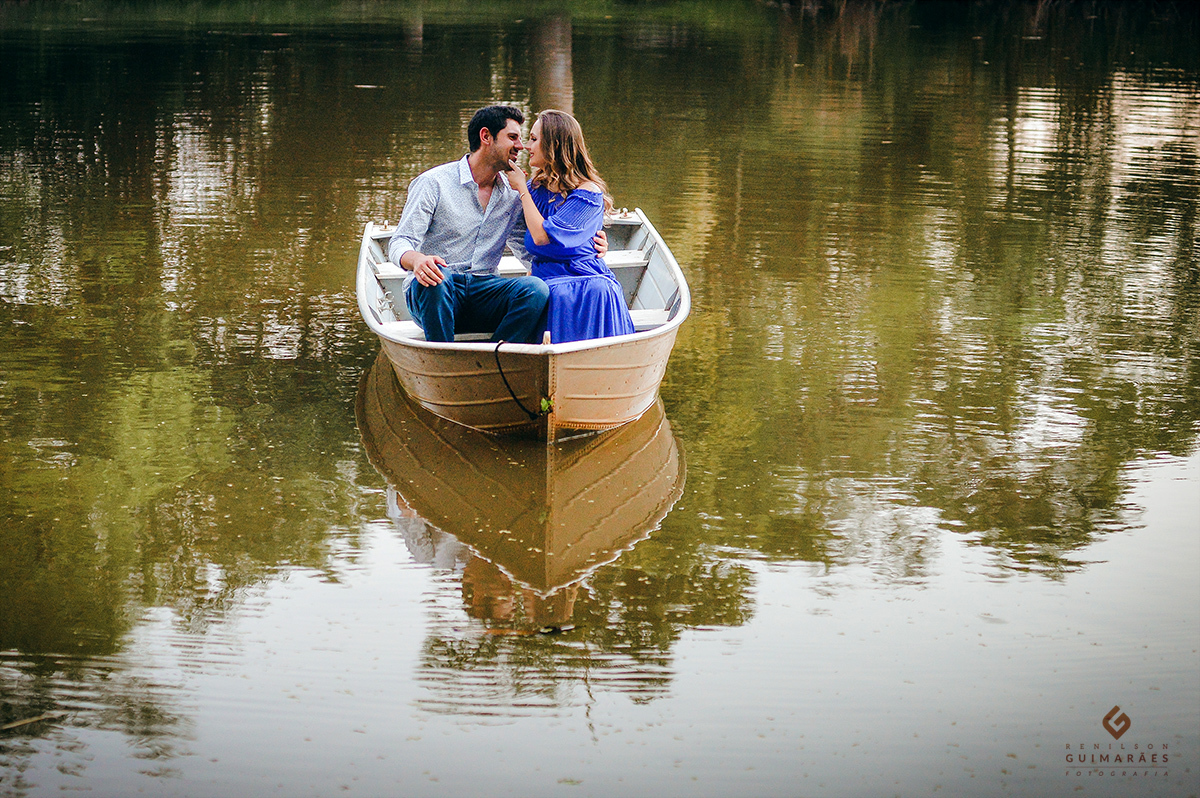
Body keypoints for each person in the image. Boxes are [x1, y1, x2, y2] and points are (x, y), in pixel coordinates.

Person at [387, 105, 607, 344]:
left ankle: (497, 355)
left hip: (485, 292)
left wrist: (586, 247)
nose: (521, 146)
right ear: (486, 137)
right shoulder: (433, 183)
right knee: (437, 277)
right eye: (512, 137)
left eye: (523, 139)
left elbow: (532, 246)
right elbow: (400, 241)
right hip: (437, 292)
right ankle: (441, 355)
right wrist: (417, 260)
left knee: (535, 289)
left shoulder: (514, 194)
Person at [505, 110, 635, 344]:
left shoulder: (588, 193)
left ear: (554, 145)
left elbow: (542, 237)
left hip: (584, 279)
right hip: (545, 278)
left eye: (533, 139)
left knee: (574, 292)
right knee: (540, 293)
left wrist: (521, 190)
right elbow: (509, 231)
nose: (526, 146)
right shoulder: (534, 190)